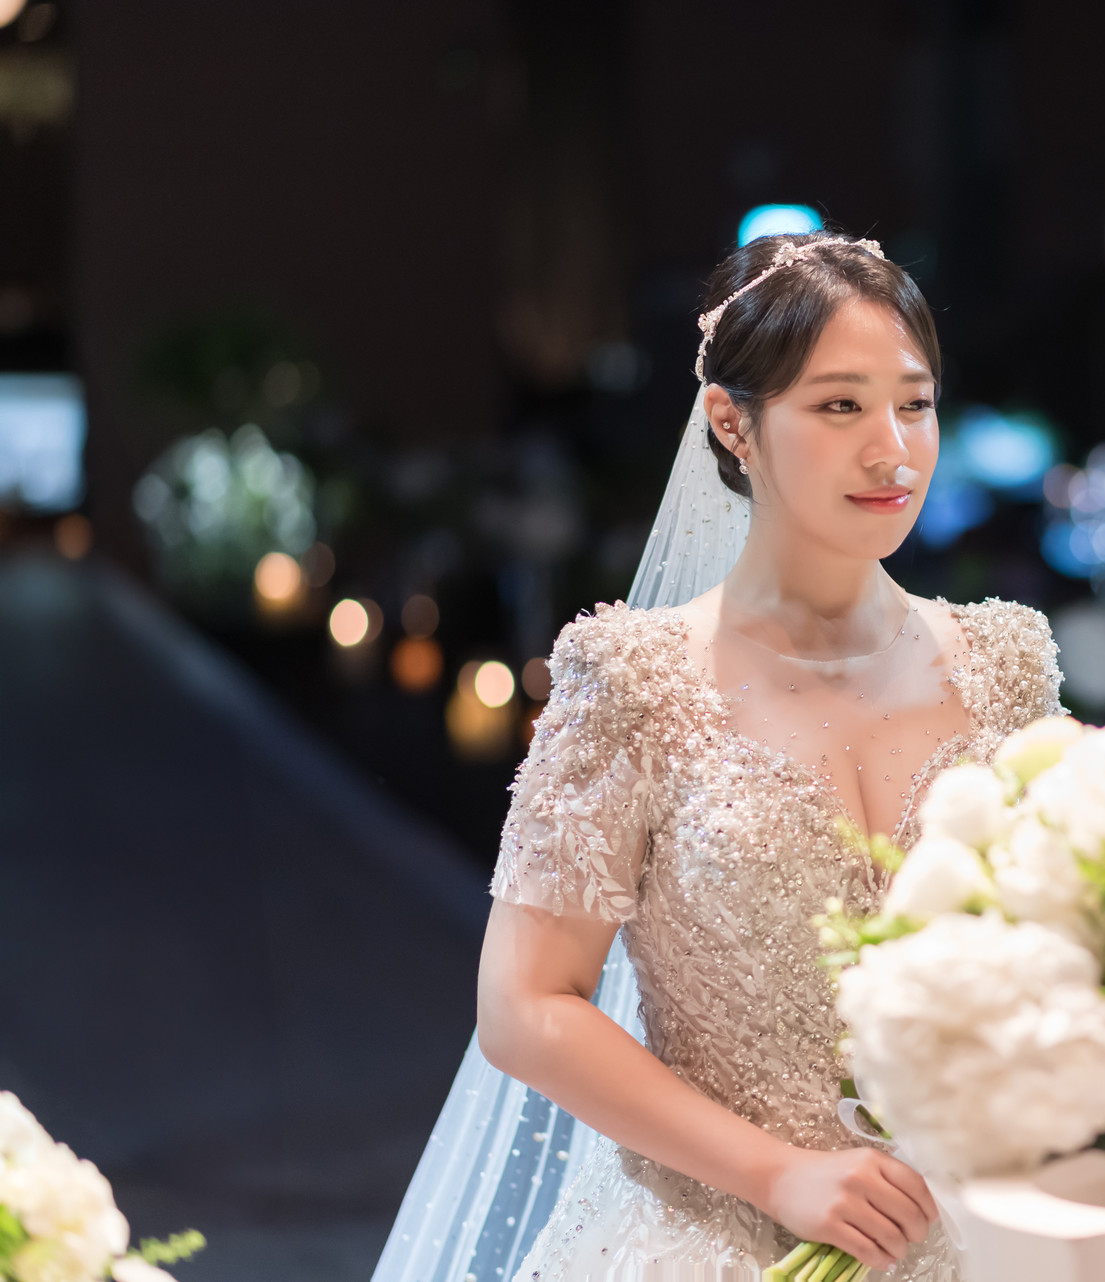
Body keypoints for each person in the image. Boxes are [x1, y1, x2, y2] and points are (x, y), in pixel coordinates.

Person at [373, 233, 1062, 1282]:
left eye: (914, 404)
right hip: (712, 1235)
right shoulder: (633, 680)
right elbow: (524, 1006)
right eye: (840, 406)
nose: (893, 450)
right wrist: (777, 1174)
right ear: (733, 423)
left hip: (974, 1228)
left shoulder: (1007, 664)